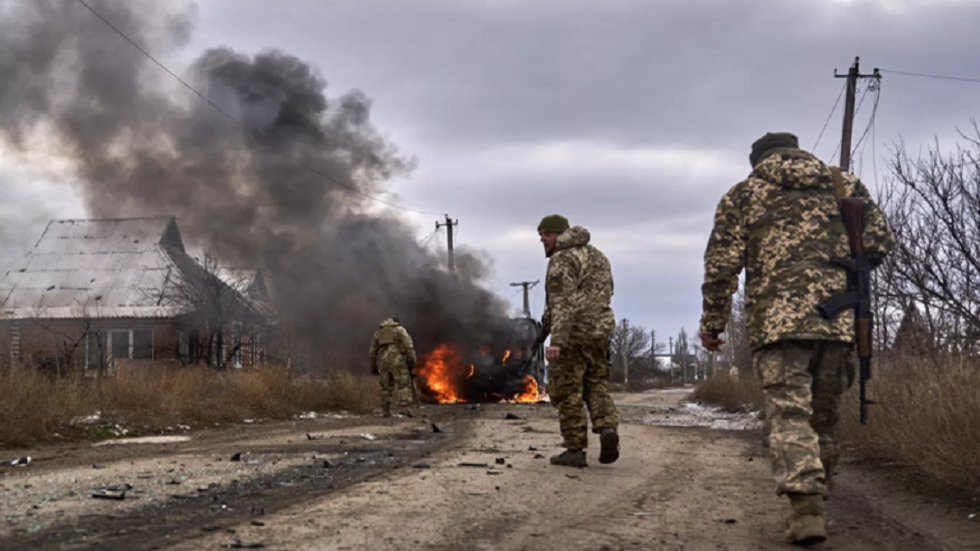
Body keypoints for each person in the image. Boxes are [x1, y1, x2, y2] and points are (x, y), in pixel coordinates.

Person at [698, 132, 894, 545]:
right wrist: (839, 262)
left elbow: (721, 267)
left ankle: (806, 509)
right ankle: (820, 497)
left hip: (777, 327)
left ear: (758, 161)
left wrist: (713, 324)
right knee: (823, 419)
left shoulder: (743, 194)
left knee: (789, 415)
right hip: (838, 322)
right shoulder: (843, 184)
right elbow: (880, 243)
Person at [537, 214, 620, 467]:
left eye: (547, 233)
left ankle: (575, 449)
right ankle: (607, 428)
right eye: (540, 234)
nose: (542, 239)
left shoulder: (562, 259)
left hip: (572, 336)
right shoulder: (598, 256)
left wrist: (556, 340)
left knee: (567, 391)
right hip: (599, 334)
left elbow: (562, 302)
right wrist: (544, 328)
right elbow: (607, 293)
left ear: (561, 234)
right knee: (596, 384)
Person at [368, 317, 418, 417]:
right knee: (403, 385)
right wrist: (412, 361)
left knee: (386, 388)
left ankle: (385, 411)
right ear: (397, 322)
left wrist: (373, 366)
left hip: (383, 363)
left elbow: (372, 352)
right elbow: (409, 346)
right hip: (397, 361)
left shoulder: (378, 333)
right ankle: (406, 409)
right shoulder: (400, 330)